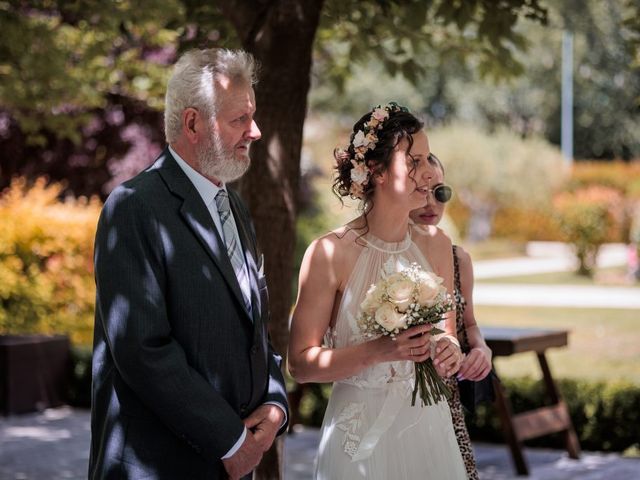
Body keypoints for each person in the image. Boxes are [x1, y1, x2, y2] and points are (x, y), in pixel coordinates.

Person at [89, 48, 289, 480]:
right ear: (193, 123)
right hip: (158, 467)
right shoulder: (134, 207)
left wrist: (275, 404)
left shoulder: (234, 207)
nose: (254, 132)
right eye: (240, 119)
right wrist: (231, 443)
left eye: (252, 116)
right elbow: (141, 348)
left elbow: (254, 328)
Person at [288, 103, 467, 479]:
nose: (427, 173)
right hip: (357, 439)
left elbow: (446, 336)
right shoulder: (329, 253)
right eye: (413, 161)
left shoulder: (437, 245)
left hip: (427, 428)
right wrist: (380, 351)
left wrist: (449, 350)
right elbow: (300, 363)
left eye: (427, 159)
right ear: (377, 171)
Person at [410, 154, 493, 479]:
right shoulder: (386, 256)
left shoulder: (460, 259)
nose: (432, 203)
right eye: (421, 191)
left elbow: (468, 323)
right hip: (405, 400)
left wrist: (481, 350)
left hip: (448, 400)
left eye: (440, 192)